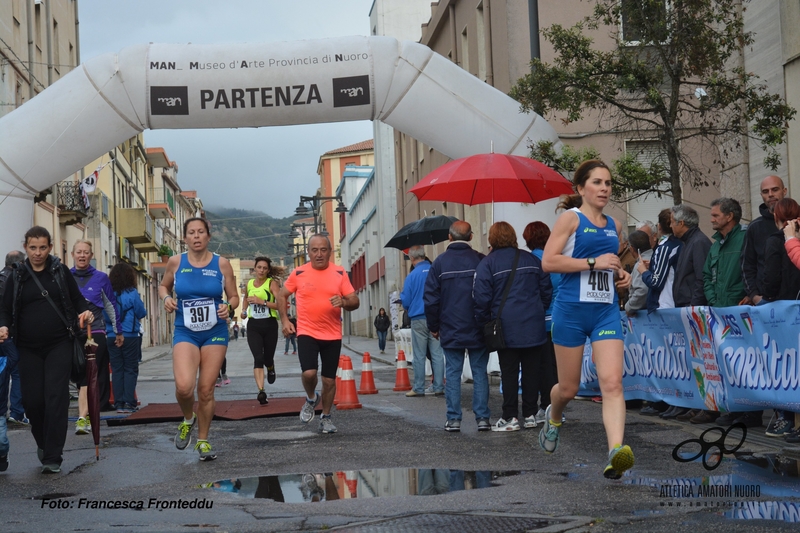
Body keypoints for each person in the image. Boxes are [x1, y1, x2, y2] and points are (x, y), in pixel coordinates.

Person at [540, 160, 634, 480]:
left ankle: (615, 452)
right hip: (571, 311)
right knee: (568, 389)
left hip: (605, 310)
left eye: (608, 183)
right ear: (581, 188)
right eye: (597, 182)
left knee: (612, 382)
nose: (605, 188)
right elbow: (548, 262)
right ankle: (553, 418)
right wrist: (592, 262)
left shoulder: (615, 226)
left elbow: (612, 266)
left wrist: (622, 276)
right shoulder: (570, 219)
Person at [0, 226, 94, 474]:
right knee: (32, 402)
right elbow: (4, 309)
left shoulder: (59, 271)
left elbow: (76, 300)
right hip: (27, 347)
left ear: (50, 247)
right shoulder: (17, 275)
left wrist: (85, 311)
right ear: (26, 247)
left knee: (56, 397)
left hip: (59, 344)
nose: (38, 253)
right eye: (33, 247)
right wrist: (3, 326)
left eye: (43, 247)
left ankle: (53, 454)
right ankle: (43, 443)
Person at [159, 217, 239, 461]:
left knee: (205, 390)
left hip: (215, 331)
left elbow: (234, 296)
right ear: (185, 238)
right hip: (185, 330)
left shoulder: (222, 264)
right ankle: (187, 418)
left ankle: (203, 440)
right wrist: (166, 299)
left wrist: (229, 307)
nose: (196, 236)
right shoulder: (175, 262)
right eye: (191, 232)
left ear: (208, 237)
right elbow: (163, 287)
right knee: (184, 387)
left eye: (200, 232)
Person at [277, 235, 359, 434]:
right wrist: (285, 320)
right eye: (315, 250)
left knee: (329, 380)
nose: (319, 254)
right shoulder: (299, 272)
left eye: (323, 250)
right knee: (309, 372)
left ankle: (326, 416)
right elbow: (281, 295)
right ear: (309, 252)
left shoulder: (339, 272)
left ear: (330, 252)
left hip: (332, 334)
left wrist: (344, 303)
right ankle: (311, 397)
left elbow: (354, 300)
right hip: (307, 331)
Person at [475, 221, 552, 432]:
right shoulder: (530, 259)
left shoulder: (488, 264)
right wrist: (537, 310)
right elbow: (546, 290)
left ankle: (510, 417)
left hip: (505, 327)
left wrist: (485, 323)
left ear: (491, 239)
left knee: (509, 373)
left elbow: (481, 299)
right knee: (531, 372)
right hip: (534, 325)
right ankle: (529, 414)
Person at [423, 221, 491, 433]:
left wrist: (434, 326)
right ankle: (482, 418)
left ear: (449, 237)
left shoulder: (439, 263)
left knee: (452, 372)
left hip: (450, 326)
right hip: (478, 326)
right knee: (479, 372)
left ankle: (453, 419)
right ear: (471, 237)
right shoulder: (481, 260)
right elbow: (489, 294)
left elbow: (431, 299)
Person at [70, 240, 123, 436]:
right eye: (79, 252)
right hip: (73, 335)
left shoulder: (101, 277)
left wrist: (118, 332)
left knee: (88, 374)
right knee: (78, 375)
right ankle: (86, 412)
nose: (82, 255)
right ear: (73, 255)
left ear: (91, 255)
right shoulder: (65, 276)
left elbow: (110, 305)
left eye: (86, 252)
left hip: (96, 333)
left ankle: (83, 417)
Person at [757, 198, 800, 438]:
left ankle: (784, 418)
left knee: (781, 366)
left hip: (781, 311)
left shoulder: (775, 241)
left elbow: (770, 278)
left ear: (776, 218)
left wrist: (766, 296)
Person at [523, 221, 562, 424]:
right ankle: (556, 407)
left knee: (542, 367)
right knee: (556, 367)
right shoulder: (556, 258)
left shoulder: (532, 260)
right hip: (560, 316)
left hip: (541, 319)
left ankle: (547, 406)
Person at [400, 245, 444, 398]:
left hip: (418, 317)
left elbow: (405, 300)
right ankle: (438, 385)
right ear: (424, 255)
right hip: (437, 317)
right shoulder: (435, 270)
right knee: (437, 353)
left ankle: (418, 387)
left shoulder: (412, 276)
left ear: (412, 258)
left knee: (419, 354)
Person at [241, 256, 284, 405]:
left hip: (270, 325)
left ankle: (270, 367)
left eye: (265, 268)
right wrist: (243, 311)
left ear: (268, 270)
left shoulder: (272, 284)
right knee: (258, 358)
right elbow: (246, 298)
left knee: (267, 358)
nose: (261, 270)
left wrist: (263, 302)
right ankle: (261, 391)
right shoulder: (250, 284)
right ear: (255, 269)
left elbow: (280, 304)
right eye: (259, 267)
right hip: (254, 326)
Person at [106, 262, 146, 414]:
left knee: (117, 370)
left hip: (111, 335)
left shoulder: (107, 293)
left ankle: (119, 403)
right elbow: (141, 312)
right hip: (129, 335)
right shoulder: (132, 293)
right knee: (130, 368)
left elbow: (105, 315)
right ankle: (129, 402)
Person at [1, 251, 27, 433]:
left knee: (2, 372)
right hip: (10, 333)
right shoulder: (17, 280)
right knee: (17, 372)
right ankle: (17, 413)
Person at [624, 231, 653, 316]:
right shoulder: (656, 258)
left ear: (632, 248)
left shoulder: (641, 264)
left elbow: (642, 290)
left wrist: (629, 307)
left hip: (644, 315)